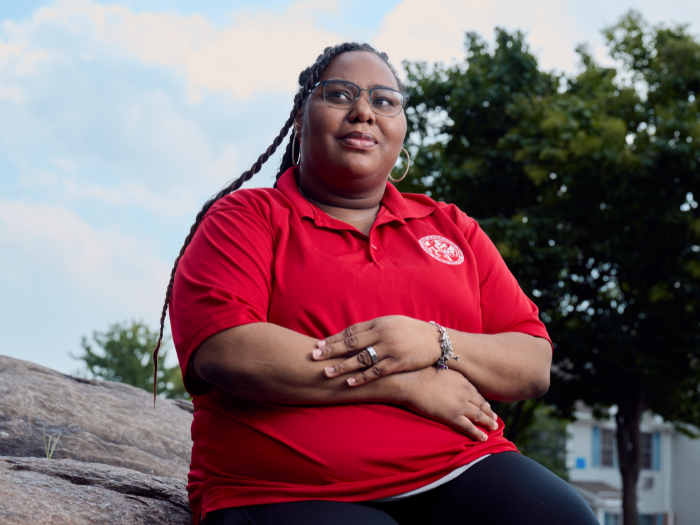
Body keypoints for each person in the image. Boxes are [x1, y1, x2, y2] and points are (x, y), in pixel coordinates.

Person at [154, 42, 598, 525]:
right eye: (340, 95)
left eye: (384, 101)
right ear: (301, 119)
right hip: (282, 488)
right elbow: (227, 350)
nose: (364, 111)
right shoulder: (246, 218)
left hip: (458, 469)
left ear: (401, 129)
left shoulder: (450, 226)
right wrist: (403, 382)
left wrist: (430, 341)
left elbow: (532, 362)